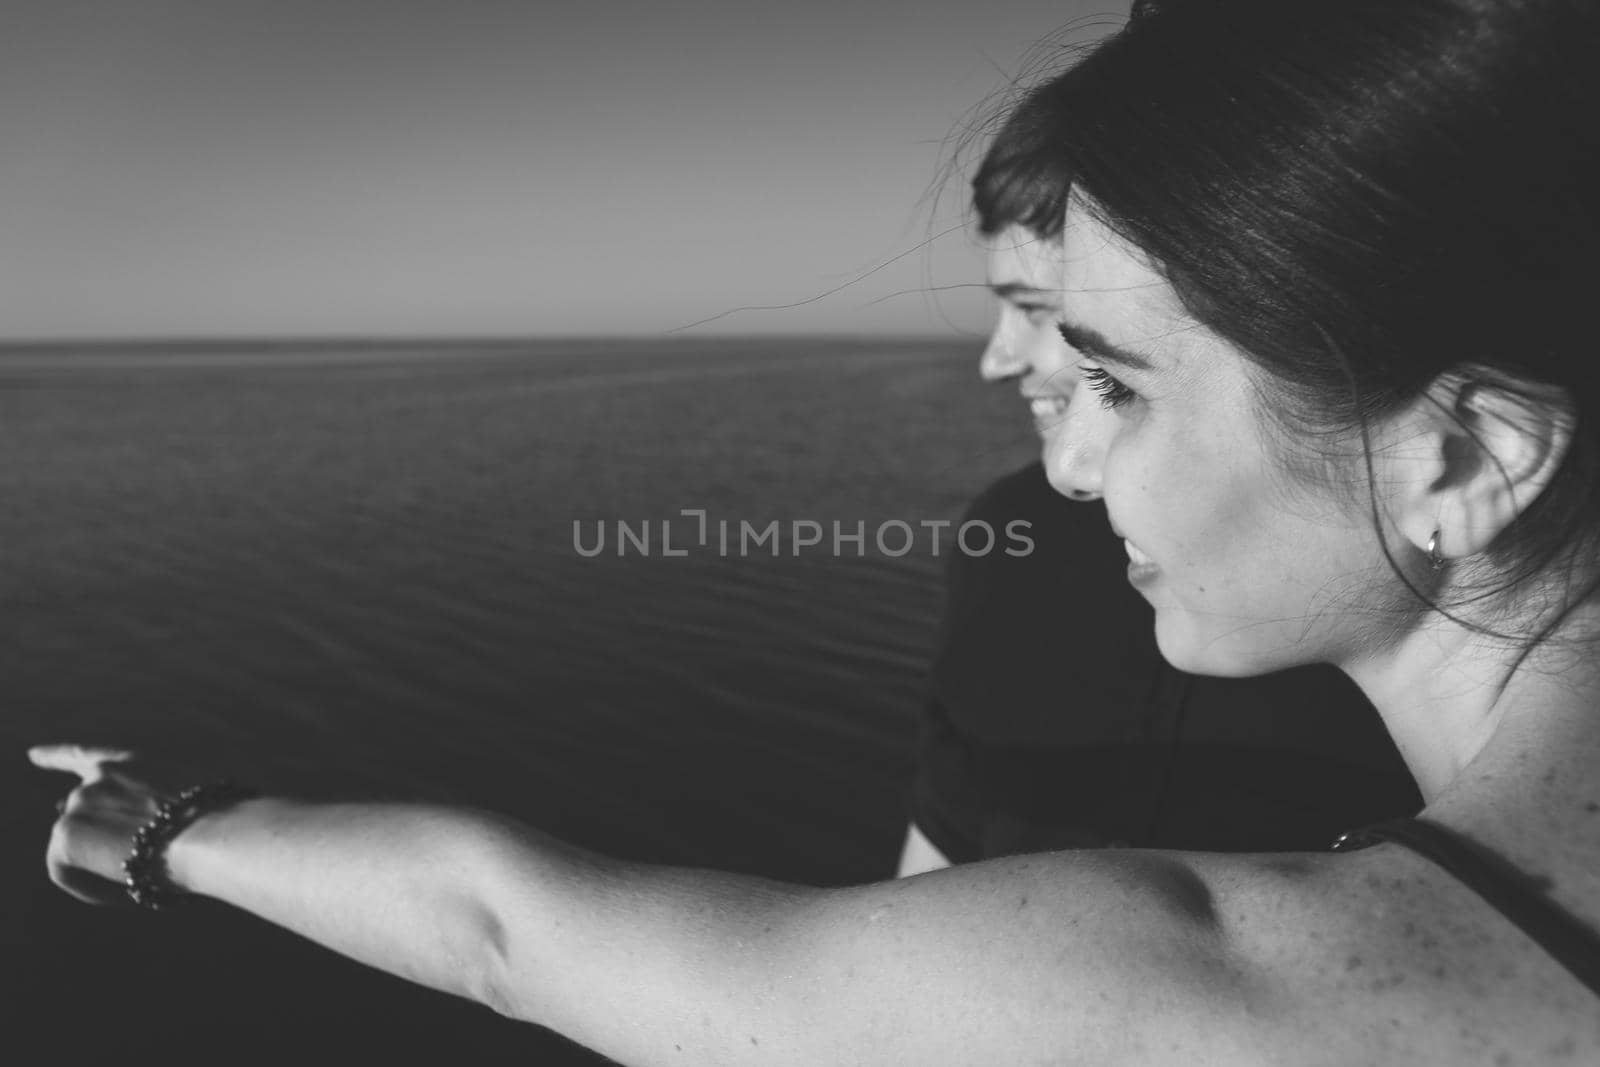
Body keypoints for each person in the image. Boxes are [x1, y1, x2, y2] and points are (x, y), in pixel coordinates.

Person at [34, 1, 1600, 1061]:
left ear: (1461, 453)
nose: (1070, 471)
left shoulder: (1183, 991)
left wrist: (158, 820)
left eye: (1115, 383)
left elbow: (502, 930)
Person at [898, 84, 1418, 875]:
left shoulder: (1383, 611)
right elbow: (938, 849)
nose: (994, 359)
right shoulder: (1006, 534)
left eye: (1041, 310)